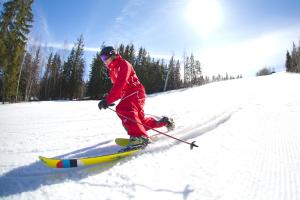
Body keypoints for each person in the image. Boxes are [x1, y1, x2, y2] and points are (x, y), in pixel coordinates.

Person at [98, 46, 174, 150]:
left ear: (113, 54)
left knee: (123, 108)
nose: (104, 61)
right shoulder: (112, 71)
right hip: (129, 94)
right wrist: (110, 99)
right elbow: (120, 89)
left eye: (104, 58)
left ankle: (140, 137)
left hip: (136, 91)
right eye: (102, 59)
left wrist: (108, 99)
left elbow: (120, 84)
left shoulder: (123, 64)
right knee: (140, 122)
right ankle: (165, 121)